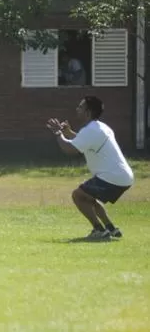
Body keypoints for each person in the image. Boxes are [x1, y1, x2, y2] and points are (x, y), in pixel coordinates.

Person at [47, 97, 132, 239]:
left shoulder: (91, 130)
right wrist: (69, 133)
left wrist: (58, 133)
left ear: (88, 112)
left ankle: (99, 231)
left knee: (78, 195)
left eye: (80, 107)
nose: (77, 109)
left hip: (112, 176)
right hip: (122, 176)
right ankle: (111, 229)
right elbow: (84, 141)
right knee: (88, 197)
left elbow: (70, 149)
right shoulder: (99, 127)